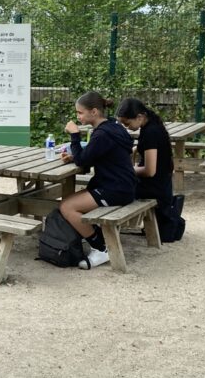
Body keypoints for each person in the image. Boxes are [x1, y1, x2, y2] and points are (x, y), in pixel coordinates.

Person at [58, 91, 136, 270]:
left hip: (116, 189)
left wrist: (75, 135)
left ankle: (100, 248)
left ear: (94, 112)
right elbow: (94, 155)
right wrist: (74, 156)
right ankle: (96, 237)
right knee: (69, 201)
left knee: (67, 207)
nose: (78, 116)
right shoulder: (113, 126)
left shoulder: (102, 134)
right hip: (124, 185)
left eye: (80, 112)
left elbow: (83, 161)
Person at [116, 96, 182, 242]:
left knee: (115, 190)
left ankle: (108, 227)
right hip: (163, 184)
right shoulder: (153, 126)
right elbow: (146, 149)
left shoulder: (150, 133)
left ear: (139, 117)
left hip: (155, 188)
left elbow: (150, 171)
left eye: (127, 123)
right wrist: (134, 151)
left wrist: (129, 169)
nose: (126, 127)